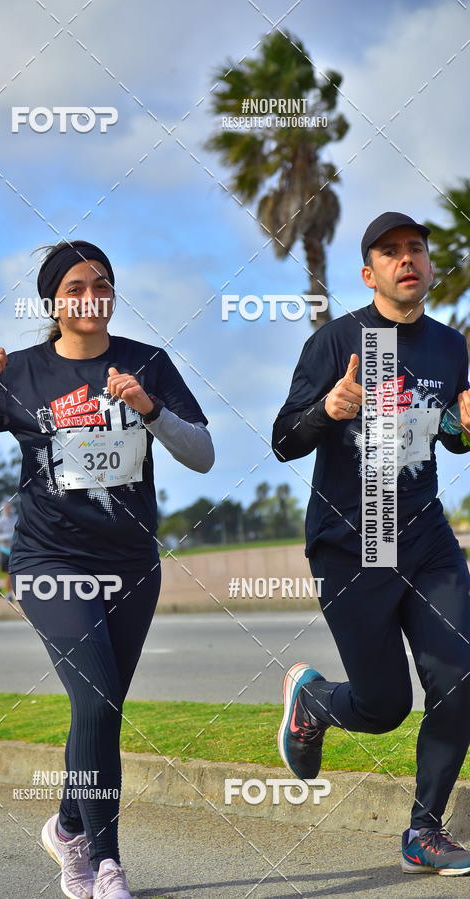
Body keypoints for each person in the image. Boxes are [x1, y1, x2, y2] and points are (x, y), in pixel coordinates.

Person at [0, 239, 214, 898]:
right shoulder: (20, 372)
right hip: (48, 558)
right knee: (96, 698)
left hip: (132, 562)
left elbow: (202, 454)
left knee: (101, 710)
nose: (92, 295)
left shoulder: (147, 363)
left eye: (103, 283)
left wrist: (150, 407)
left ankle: (66, 827)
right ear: (54, 301)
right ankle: (108, 862)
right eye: (77, 286)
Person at [272, 212, 470, 876]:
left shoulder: (450, 347)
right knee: (386, 706)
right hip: (350, 544)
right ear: (370, 272)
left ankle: (425, 829)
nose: (406, 258)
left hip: (425, 537)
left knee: (460, 675)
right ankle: (314, 700)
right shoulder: (337, 341)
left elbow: (447, 433)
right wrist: (328, 409)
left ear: (428, 265)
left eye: (415, 248)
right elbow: (282, 439)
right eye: (391, 251)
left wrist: (465, 425)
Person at [0, 501, 17, 600]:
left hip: (16, 549)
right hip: (5, 550)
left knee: (18, 571)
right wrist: (7, 536)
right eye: (5, 508)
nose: (7, 509)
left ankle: (19, 592)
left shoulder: (16, 518)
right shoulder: (0, 521)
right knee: (8, 573)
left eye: (9, 507)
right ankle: (9, 593)